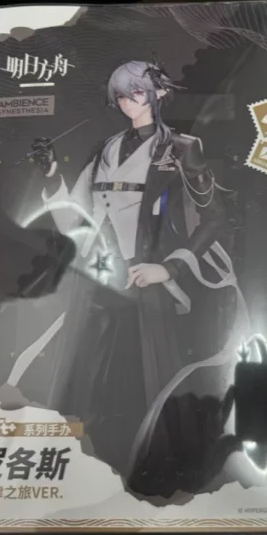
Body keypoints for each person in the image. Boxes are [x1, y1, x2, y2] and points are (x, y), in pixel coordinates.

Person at [28, 60, 238, 493]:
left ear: (159, 93)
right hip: (100, 283)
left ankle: (152, 479)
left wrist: (170, 267)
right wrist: (51, 176)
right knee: (86, 383)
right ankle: (83, 475)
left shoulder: (182, 147)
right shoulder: (105, 150)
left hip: (149, 285)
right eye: (121, 95)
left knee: (148, 386)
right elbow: (77, 217)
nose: (128, 102)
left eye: (136, 92)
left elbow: (216, 218)